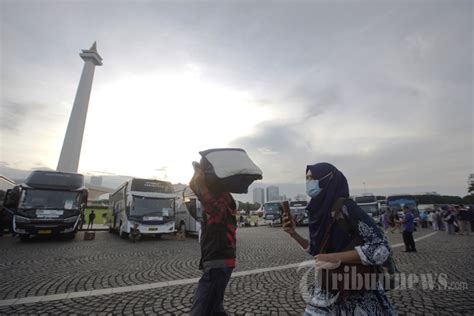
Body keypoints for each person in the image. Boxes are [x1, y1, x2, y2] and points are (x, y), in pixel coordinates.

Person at [283, 163, 396, 315]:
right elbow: (317, 252)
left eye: (312, 177)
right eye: (307, 178)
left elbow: (381, 247)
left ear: (328, 179)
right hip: (327, 286)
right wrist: (293, 233)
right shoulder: (317, 211)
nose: (309, 182)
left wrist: (333, 258)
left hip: (355, 289)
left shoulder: (345, 207)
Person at [189, 165, 237, 316]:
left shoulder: (223, 196)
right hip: (214, 259)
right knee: (215, 308)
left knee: (200, 309)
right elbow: (194, 187)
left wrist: (202, 184)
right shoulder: (213, 194)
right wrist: (196, 173)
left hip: (219, 261)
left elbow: (218, 211)